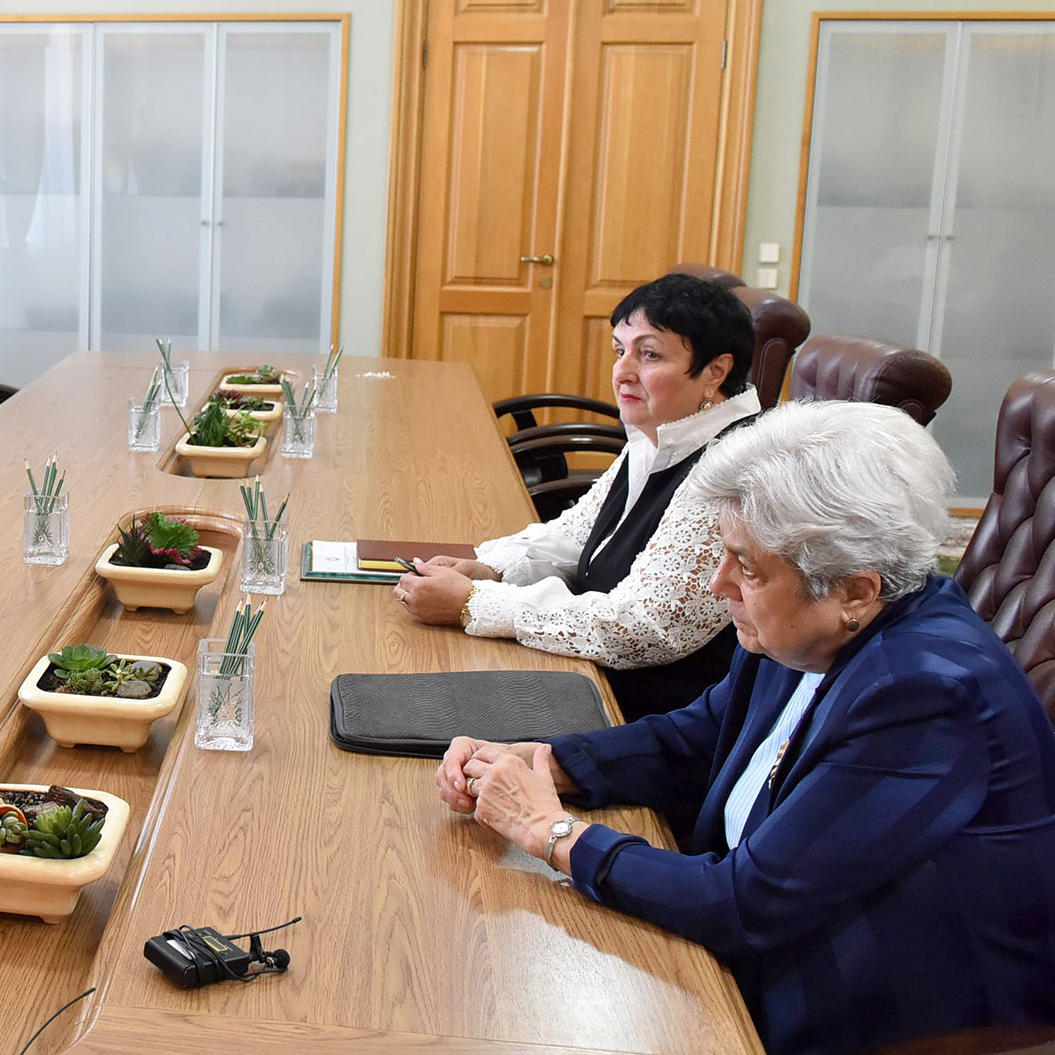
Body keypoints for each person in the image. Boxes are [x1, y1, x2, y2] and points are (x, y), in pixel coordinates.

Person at [436, 402, 1055, 1055]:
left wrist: (549, 830)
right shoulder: (810, 629)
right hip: (776, 943)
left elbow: (744, 905)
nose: (719, 583)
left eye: (747, 567)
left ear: (855, 590)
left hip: (886, 1010)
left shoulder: (922, 690)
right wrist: (543, 763)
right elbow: (694, 738)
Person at [396, 273, 761, 719]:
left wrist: (475, 603)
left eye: (649, 354)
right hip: (589, 678)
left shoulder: (734, 468)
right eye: (620, 351)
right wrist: (490, 569)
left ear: (716, 371)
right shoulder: (667, 430)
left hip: (648, 716)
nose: (622, 372)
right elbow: (577, 534)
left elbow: (645, 628)